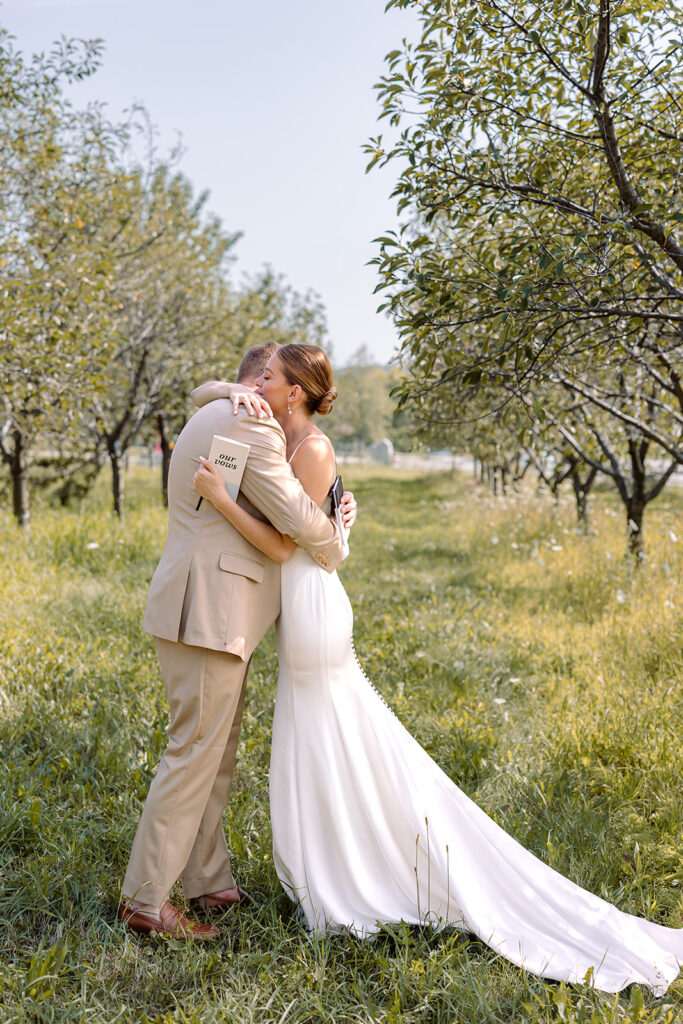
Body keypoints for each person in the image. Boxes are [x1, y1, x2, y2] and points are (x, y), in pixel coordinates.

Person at [192, 343, 683, 994]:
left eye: (269, 379)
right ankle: (347, 861)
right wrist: (229, 389)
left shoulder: (310, 449)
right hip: (304, 603)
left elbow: (297, 545)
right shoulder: (269, 427)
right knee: (332, 743)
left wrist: (223, 502)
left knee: (325, 738)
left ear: (297, 390)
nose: (258, 384)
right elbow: (207, 400)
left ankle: (350, 880)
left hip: (311, 611)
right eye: (255, 378)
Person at [118, 343, 356, 941]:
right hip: (210, 609)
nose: (270, 390)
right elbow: (296, 522)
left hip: (208, 606)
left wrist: (220, 387)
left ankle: (207, 878)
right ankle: (145, 902)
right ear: (263, 383)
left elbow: (230, 490)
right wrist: (337, 534)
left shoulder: (217, 412)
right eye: (269, 377)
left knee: (215, 751)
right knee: (195, 751)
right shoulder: (251, 424)